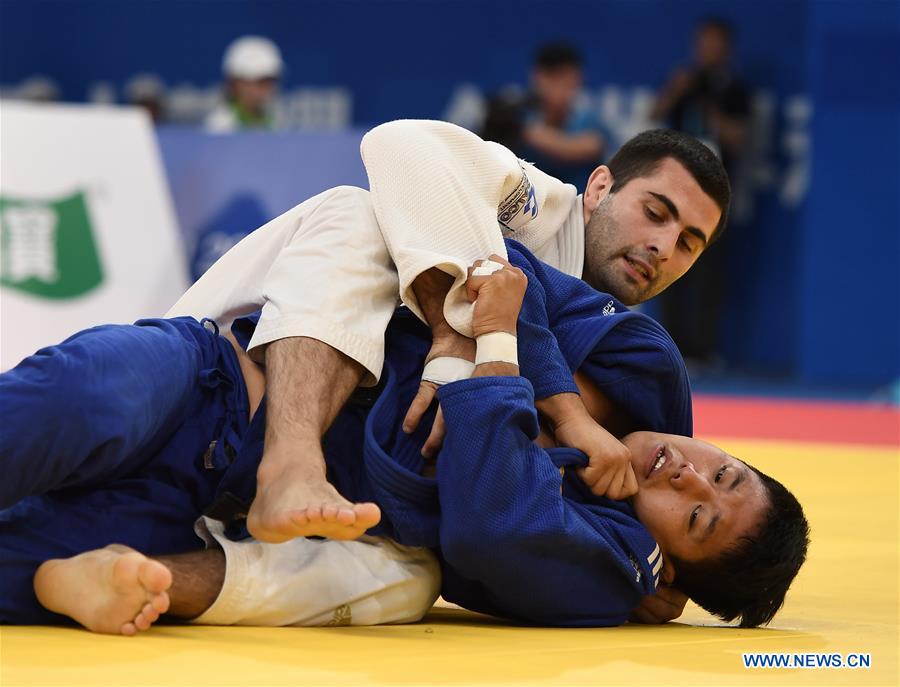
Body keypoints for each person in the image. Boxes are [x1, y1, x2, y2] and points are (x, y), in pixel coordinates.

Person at [1, 244, 809, 634]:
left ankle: (72, 581)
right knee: (76, 399)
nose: (690, 476)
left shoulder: (613, 561)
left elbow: (497, 522)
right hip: (206, 376)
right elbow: (502, 263)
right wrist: (560, 402)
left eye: (698, 517)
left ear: (669, 582)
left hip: (217, 500)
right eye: (725, 474)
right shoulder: (647, 370)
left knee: (26, 562)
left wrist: (492, 346)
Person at [167, 120, 731, 546]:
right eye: (655, 212)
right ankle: (288, 462)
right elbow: (398, 141)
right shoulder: (541, 211)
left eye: (688, 243)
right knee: (355, 212)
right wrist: (455, 324)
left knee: (404, 582)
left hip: (323, 485)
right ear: (600, 188)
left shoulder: (623, 345)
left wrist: (659, 563)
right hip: (210, 363)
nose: (663, 247)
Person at [651, 17, 751, 367]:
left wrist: (711, 109)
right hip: (674, 188)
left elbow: (738, 136)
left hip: (714, 191)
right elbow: (655, 114)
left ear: (726, 48)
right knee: (667, 262)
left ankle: (703, 351)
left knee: (709, 271)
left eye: (715, 43)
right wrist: (678, 90)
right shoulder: (683, 81)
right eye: (702, 42)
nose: (707, 49)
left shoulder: (735, 88)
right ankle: (671, 348)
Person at [518, 42, 609, 188]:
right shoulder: (521, 114)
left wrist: (526, 132)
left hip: (579, 205)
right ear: (536, 77)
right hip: (528, 206)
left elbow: (586, 147)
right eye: (550, 76)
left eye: (564, 76)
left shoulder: (589, 120)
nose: (557, 84)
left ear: (577, 78)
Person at [205, 36, 283, 132]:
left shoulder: (278, 122)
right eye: (260, 82)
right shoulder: (218, 127)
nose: (266, 89)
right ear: (236, 83)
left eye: (270, 81)